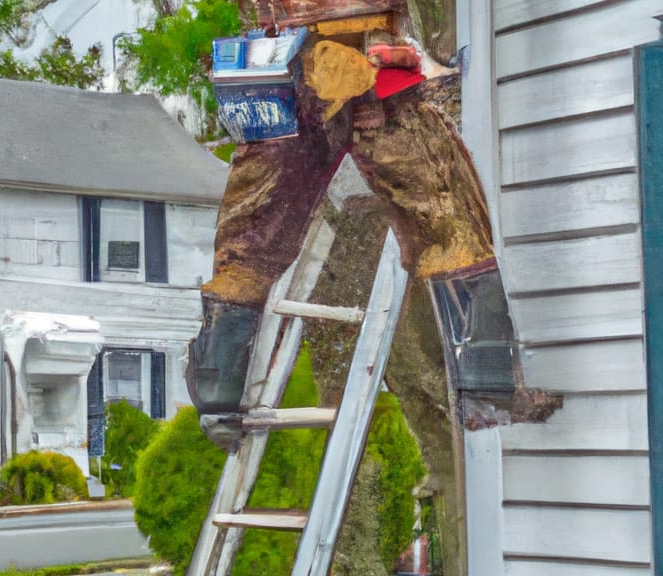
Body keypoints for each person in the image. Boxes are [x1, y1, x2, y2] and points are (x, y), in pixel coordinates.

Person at [187, 3, 506, 448]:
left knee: (255, 235)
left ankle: (218, 394)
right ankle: (490, 384)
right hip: (320, 66)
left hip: (323, 65)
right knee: (443, 212)